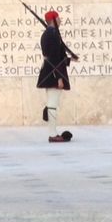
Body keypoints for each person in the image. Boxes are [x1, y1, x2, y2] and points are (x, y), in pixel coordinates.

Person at [36, 10, 73, 143]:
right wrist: (59, 77)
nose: (60, 19)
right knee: (52, 104)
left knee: (52, 103)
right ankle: (52, 134)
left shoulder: (50, 33)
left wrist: (69, 60)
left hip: (50, 70)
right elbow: (53, 58)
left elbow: (56, 55)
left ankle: (52, 127)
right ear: (54, 19)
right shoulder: (52, 34)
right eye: (58, 17)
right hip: (52, 73)